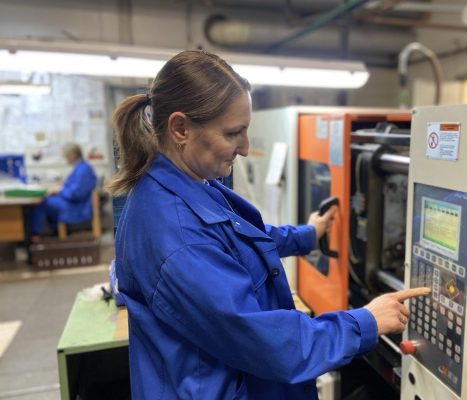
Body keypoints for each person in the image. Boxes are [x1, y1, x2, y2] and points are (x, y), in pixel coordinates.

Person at [107, 50, 430, 400]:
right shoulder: (176, 236)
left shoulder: (186, 185)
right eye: (233, 133)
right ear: (180, 128)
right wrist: (365, 321)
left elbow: (236, 241)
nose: (245, 148)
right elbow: (271, 344)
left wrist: (309, 235)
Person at [30, 143, 97, 239]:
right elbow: (73, 187)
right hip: (73, 203)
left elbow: (76, 194)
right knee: (46, 199)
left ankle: (35, 235)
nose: (65, 159)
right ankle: (54, 231)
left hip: (76, 207)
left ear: (72, 155)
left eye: (66, 156)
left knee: (41, 202)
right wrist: (61, 186)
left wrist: (60, 190)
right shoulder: (80, 167)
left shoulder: (83, 169)